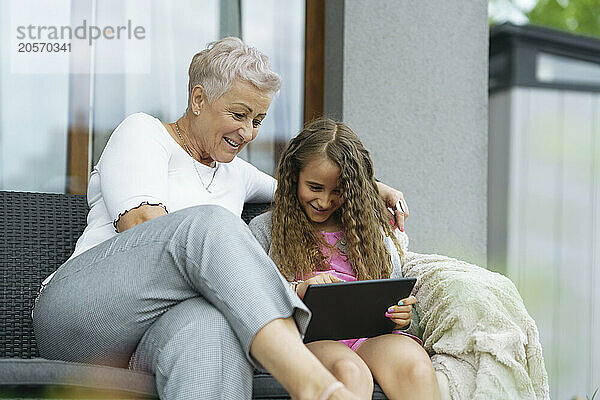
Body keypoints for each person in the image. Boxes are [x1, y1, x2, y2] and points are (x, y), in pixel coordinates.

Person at [32, 38, 407, 400]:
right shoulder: (143, 133)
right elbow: (143, 225)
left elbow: (297, 185)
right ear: (198, 99)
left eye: (258, 119)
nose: (248, 132)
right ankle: (311, 384)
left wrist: (368, 185)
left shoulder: (235, 174)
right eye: (239, 114)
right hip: (85, 315)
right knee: (209, 225)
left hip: (158, 333)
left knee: (213, 333)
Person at [249, 118, 440, 400]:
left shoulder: (370, 231)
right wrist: (297, 290)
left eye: (337, 191)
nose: (324, 201)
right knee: (348, 371)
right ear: (293, 178)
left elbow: (392, 290)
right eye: (314, 187)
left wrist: (403, 316)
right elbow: (250, 296)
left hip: (369, 337)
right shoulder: (266, 229)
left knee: (416, 367)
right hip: (309, 338)